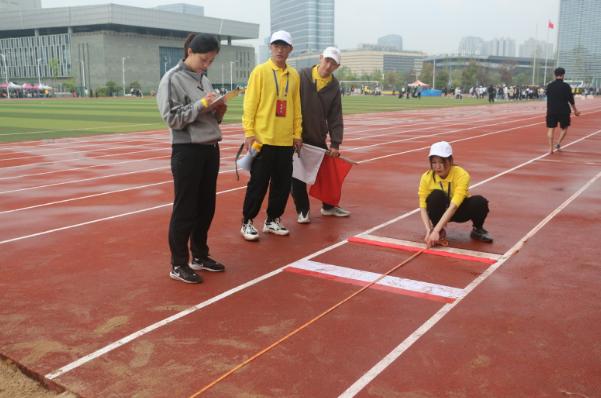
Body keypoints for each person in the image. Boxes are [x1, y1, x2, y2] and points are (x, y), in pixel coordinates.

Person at [157, 33, 227, 284]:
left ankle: (199, 255)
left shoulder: (203, 79)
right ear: (190, 51)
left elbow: (209, 117)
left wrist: (219, 110)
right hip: (187, 150)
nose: (206, 65)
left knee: (206, 207)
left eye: (211, 61)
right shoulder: (172, 79)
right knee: (185, 209)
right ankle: (178, 264)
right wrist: (200, 105)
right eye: (204, 60)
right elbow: (171, 118)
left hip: (210, 147)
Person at [240, 30, 302, 241]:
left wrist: (297, 134)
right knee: (258, 184)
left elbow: (296, 106)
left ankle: (272, 220)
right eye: (276, 45)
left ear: (290, 49)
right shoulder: (260, 71)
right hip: (263, 140)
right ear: (270, 47)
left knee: (282, 185)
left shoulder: (294, 75)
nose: (279, 49)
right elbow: (249, 105)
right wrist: (249, 133)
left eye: (284, 46)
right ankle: (247, 222)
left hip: (285, 141)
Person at [291, 46, 349, 224]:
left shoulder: (334, 85)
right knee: (297, 175)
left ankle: (328, 206)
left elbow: (335, 115)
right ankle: (303, 210)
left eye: (333, 64)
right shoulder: (302, 76)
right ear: (320, 58)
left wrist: (336, 143)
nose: (329, 65)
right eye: (327, 60)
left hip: (318, 135)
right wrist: (294, 133)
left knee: (326, 173)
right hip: (296, 135)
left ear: (337, 67)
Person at [418, 141, 493, 248]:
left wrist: (435, 230)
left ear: (450, 160)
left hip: (459, 210)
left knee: (479, 202)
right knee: (435, 195)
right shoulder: (426, 177)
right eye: (434, 162)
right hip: (440, 211)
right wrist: (430, 230)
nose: (438, 167)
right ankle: (438, 230)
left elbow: (454, 206)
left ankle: (477, 229)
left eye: (442, 162)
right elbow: (422, 206)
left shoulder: (462, 174)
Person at [546, 67, 581, 154]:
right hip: (564, 110)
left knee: (551, 129)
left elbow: (549, 98)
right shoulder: (566, 86)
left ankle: (550, 149)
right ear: (563, 75)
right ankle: (558, 143)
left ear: (555, 75)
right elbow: (571, 100)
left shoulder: (549, 86)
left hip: (551, 110)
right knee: (564, 128)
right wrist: (575, 110)